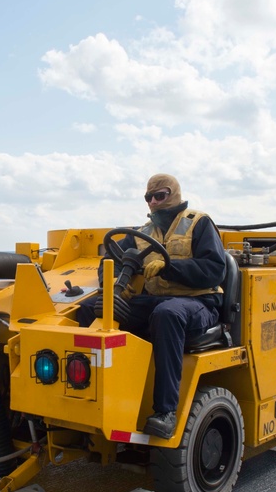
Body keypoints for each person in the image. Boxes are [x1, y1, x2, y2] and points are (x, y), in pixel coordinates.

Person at [78, 173, 226, 439]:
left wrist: (171, 268)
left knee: (167, 314)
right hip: (156, 301)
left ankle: (166, 412)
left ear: (176, 194)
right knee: (92, 308)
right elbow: (107, 261)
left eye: (161, 195)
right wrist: (113, 284)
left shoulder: (198, 224)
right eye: (149, 197)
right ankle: (90, 396)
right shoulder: (141, 233)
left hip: (198, 302)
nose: (154, 202)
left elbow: (215, 269)